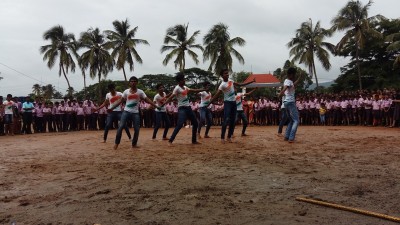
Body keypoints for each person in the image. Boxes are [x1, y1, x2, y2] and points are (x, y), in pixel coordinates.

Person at [207, 69, 255, 143]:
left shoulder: (230, 80)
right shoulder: (222, 85)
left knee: (232, 121)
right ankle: (222, 138)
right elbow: (217, 94)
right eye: (225, 73)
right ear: (222, 76)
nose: (227, 74)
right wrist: (210, 102)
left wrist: (251, 81)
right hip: (227, 103)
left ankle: (229, 137)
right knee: (226, 120)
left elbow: (240, 84)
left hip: (233, 103)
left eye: (227, 73)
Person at [112, 76, 159, 149]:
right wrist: (111, 107)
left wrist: (155, 105)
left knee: (137, 129)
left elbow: (147, 99)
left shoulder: (140, 92)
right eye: (132, 81)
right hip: (126, 111)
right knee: (120, 127)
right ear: (129, 83)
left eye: (134, 81)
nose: (133, 82)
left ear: (137, 83)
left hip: (135, 113)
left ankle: (134, 144)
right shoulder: (126, 91)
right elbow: (120, 101)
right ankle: (116, 143)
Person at [163, 72, 207, 146]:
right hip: (182, 108)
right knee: (180, 124)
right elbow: (171, 97)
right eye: (183, 80)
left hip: (188, 108)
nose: (184, 81)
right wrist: (165, 103)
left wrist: (202, 89)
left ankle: (193, 141)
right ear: (179, 81)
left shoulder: (185, 87)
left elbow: (193, 90)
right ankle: (170, 141)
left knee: (195, 123)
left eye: (184, 79)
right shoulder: (177, 88)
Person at [278, 67, 301, 143]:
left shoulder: (288, 81)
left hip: (286, 103)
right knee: (296, 120)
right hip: (290, 102)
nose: (294, 76)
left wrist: (300, 78)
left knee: (291, 120)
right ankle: (291, 138)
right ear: (291, 74)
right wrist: (281, 93)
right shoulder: (289, 81)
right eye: (294, 74)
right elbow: (285, 87)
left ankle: (286, 137)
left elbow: (293, 84)